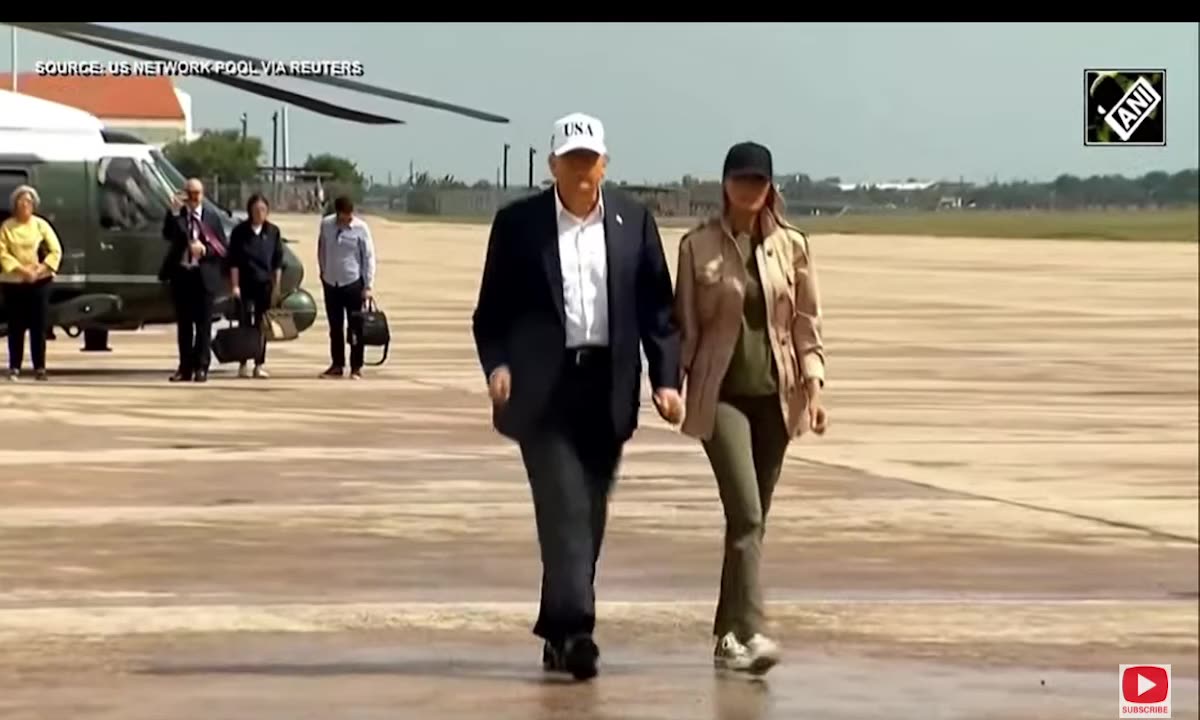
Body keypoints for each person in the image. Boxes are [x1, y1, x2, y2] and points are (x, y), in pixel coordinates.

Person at [471, 112, 683, 681]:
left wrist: (666, 379)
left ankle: (558, 629)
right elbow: (491, 312)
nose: (582, 170)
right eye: (571, 161)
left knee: (587, 514)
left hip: (607, 388)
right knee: (563, 506)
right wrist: (498, 366)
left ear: (605, 165)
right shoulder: (519, 225)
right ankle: (578, 630)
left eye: (591, 161)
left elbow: (658, 310)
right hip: (542, 391)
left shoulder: (632, 221)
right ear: (553, 165)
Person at [673, 141, 829, 675]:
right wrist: (670, 385)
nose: (749, 190)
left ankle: (726, 636)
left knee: (749, 526)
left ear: (770, 187)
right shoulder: (697, 248)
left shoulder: (792, 246)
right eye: (740, 181)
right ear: (725, 185)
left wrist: (815, 387)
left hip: (776, 398)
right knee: (747, 513)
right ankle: (754, 629)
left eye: (758, 182)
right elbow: (685, 327)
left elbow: (806, 325)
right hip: (720, 396)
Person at [159, 177, 229, 383]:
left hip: (205, 277)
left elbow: (222, 248)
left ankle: (202, 366)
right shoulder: (178, 215)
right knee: (184, 326)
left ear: (202, 195)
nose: (193, 198)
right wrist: (173, 211)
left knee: (204, 325)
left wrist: (205, 250)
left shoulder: (212, 218)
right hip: (183, 276)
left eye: (196, 193)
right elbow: (168, 235)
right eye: (189, 193)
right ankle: (185, 367)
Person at [0, 185, 62, 381]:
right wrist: (22, 270)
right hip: (14, 282)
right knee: (15, 326)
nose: (25, 205)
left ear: (34, 205)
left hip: (39, 281)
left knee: (39, 326)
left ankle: (40, 367)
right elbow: (2, 253)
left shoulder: (40, 225)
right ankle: (14, 367)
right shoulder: (7, 227)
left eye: (28, 201)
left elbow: (55, 251)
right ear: (15, 205)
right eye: (21, 201)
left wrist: (41, 269)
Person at [316, 195, 375, 380]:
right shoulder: (326, 225)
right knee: (335, 327)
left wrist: (368, 285)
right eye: (344, 215)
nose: (347, 218)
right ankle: (337, 365)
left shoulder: (361, 228)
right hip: (331, 283)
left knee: (355, 327)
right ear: (337, 213)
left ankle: (356, 366)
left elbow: (369, 257)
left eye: (350, 215)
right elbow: (321, 248)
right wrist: (323, 271)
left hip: (352, 283)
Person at [228, 192, 284, 379]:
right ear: (250, 211)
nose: (259, 213)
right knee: (244, 323)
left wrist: (277, 288)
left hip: (265, 285)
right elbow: (233, 261)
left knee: (262, 325)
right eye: (256, 209)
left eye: (263, 209)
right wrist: (235, 286)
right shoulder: (239, 232)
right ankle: (243, 363)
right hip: (245, 284)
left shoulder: (273, 232)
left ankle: (259, 364)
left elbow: (277, 263)